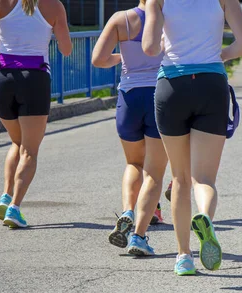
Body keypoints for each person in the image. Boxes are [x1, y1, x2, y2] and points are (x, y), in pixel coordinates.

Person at [143, 0, 242, 276]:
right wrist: (219, 56)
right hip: (211, 84)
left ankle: (183, 256)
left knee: (179, 179)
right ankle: (204, 215)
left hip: (172, 85)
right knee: (203, 178)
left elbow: (150, 48)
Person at [0, 0, 72, 228]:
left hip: (3, 78)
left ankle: (6, 196)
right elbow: (66, 49)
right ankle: (14, 209)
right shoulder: (53, 5)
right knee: (29, 150)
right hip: (34, 78)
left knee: (17, 142)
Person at [91, 0, 166, 254]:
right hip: (160, 94)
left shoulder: (120, 19)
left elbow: (98, 59)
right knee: (154, 172)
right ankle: (138, 236)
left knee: (134, 163)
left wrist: (122, 55)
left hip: (129, 97)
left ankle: (127, 211)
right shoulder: (169, 19)